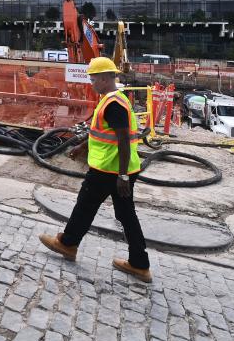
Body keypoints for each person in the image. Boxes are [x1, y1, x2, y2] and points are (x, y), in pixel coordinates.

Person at [38, 56, 152, 282]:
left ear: (103, 78)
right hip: (118, 170)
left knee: (86, 205)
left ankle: (68, 243)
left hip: (110, 171)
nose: (91, 82)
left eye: (93, 78)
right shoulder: (113, 99)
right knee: (125, 215)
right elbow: (105, 134)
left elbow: (122, 140)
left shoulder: (113, 104)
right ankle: (139, 264)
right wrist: (81, 146)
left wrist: (122, 176)